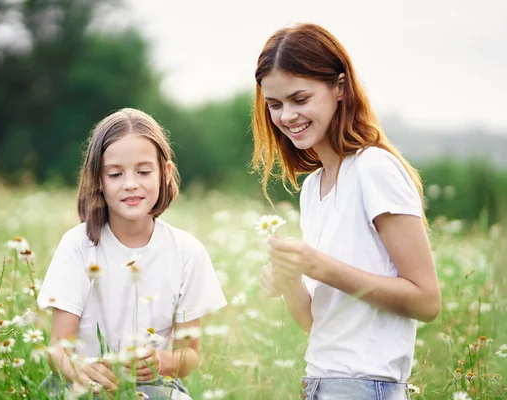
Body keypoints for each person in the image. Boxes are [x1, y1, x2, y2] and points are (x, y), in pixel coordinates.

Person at [252, 23, 441, 400]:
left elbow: (426, 300)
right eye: (275, 105)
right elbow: (314, 323)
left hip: (369, 385)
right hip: (320, 381)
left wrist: (319, 266)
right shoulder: (312, 187)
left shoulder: (374, 168)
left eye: (300, 99)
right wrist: (291, 281)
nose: (287, 116)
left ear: (339, 87)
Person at [37, 108, 227, 399]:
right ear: (98, 180)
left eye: (143, 171)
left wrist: (160, 361)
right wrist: (80, 369)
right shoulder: (77, 246)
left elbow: (189, 357)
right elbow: (58, 349)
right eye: (115, 174)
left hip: (156, 387)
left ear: (164, 173)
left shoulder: (188, 252)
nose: (130, 184)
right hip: (82, 383)